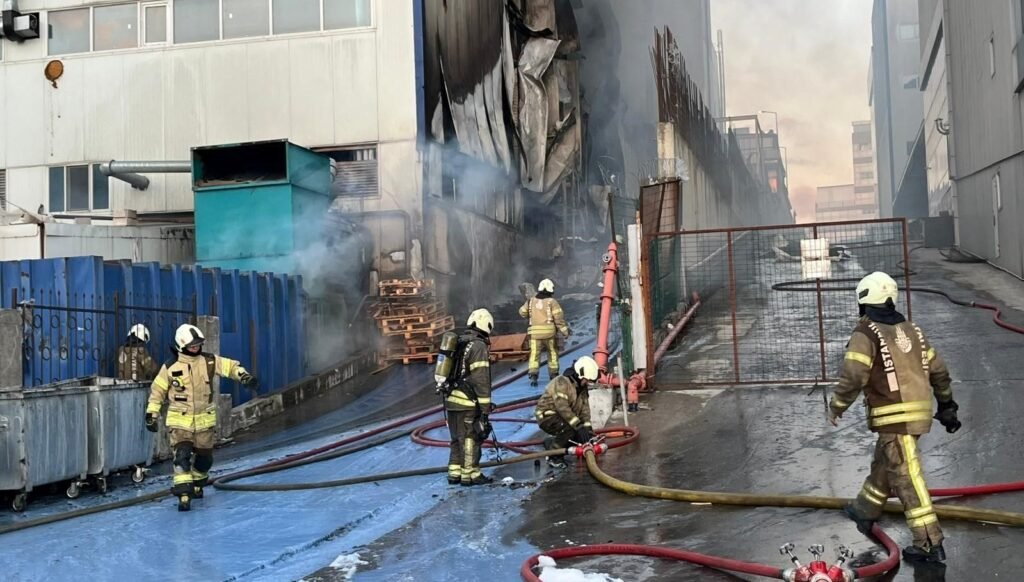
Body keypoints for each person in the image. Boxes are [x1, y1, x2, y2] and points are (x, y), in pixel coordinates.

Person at [828, 272, 961, 564]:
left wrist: (837, 405)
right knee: (885, 463)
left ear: (863, 299)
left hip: (894, 417)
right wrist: (947, 403)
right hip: (917, 414)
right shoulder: (913, 330)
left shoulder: (865, 333)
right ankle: (865, 510)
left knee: (906, 477)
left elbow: (854, 375)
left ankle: (929, 542)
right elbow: (939, 369)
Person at [145, 324, 258, 511]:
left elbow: (230, 367)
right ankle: (183, 493)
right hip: (180, 422)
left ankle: (197, 484)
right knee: (181, 456)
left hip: (204, 422)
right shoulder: (170, 367)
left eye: (198, 344)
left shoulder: (209, 362)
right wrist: (151, 414)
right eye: (192, 345)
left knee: (204, 460)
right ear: (182, 345)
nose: (196, 348)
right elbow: (157, 392)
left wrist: (244, 377)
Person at [444, 308, 496, 487]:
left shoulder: (459, 342)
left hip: (451, 401)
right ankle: (471, 474)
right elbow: (481, 379)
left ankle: (454, 473)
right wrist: (485, 408)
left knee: (456, 438)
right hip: (468, 402)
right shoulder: (478, 346)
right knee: (470, 438)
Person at [535, 356, 599, 469]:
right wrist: (578, 426)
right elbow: (562, 407)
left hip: (564, 417)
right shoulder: (562, 382)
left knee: (579, 437)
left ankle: (552, 443)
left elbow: (585, 409)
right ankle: (553, 456)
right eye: (587, 380)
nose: (588, 383)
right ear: (580, 375)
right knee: (569, 430)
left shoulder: (581, 388)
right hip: (548, 416)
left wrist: (587, 430)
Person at [520, 279, 570, 386]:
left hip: (535, 335)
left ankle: (533, 375)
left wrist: (531, 312)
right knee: (552, 353)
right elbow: (559, 319)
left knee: (534, 355)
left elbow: (522, 312)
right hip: (549, 334)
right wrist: (565, 332)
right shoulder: (552, 302)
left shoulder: (531, 301)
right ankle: (553, 375)